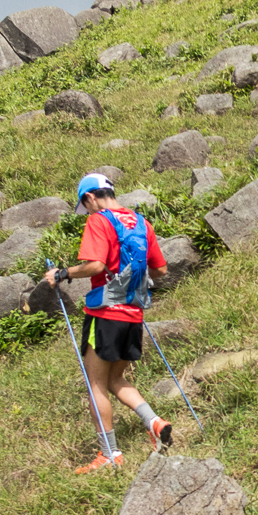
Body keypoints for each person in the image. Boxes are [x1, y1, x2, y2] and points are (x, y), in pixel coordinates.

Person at [42, 173, 171, 472]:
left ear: (89, 198)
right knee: (115, 380)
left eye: (84, 205)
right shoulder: (142, 223)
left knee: (96, 384)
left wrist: (62, 274)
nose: (86, 211)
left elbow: (96, 265)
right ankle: (155, 423)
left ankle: (109, 455)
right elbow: (161, 269)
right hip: (134, 315)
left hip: (105, 315)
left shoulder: (98, 220)